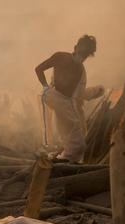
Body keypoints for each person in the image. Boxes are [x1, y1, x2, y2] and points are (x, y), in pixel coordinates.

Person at [35, 35, 104, 163]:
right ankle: (64, 161)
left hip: (66, 103)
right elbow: (38, 69)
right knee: (77, 144)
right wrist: (46, 87)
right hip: (53, 96)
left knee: (74, 140)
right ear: (75, 47)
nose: (82, 57)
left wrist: (96, 91)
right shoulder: (60, 57)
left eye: (85, 55)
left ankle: (61, 161)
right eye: (81, 52)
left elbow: (78, 95)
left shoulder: (80, 71)